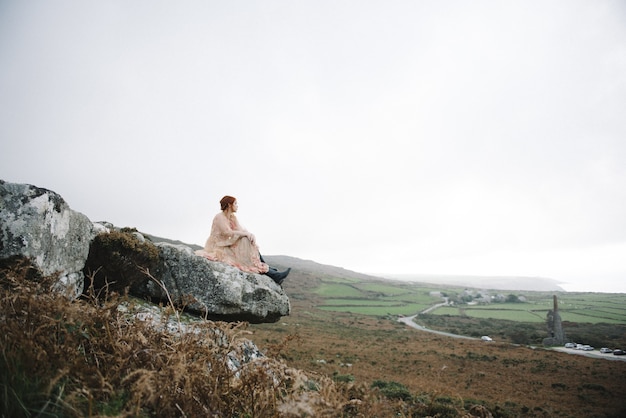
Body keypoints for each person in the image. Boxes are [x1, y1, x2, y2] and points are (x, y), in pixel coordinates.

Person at [195, 196, 290, 284]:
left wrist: (250, 235)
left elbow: (241, 230)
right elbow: (227, 232)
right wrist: (245, 234)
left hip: (227, 243)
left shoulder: (232, 217)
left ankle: (267, 268)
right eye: (235, 203)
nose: (237, 206)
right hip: (218, 246)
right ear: (229, 205)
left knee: (247, 240)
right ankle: (272, 273)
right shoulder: (219, 217)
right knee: (244, 239)